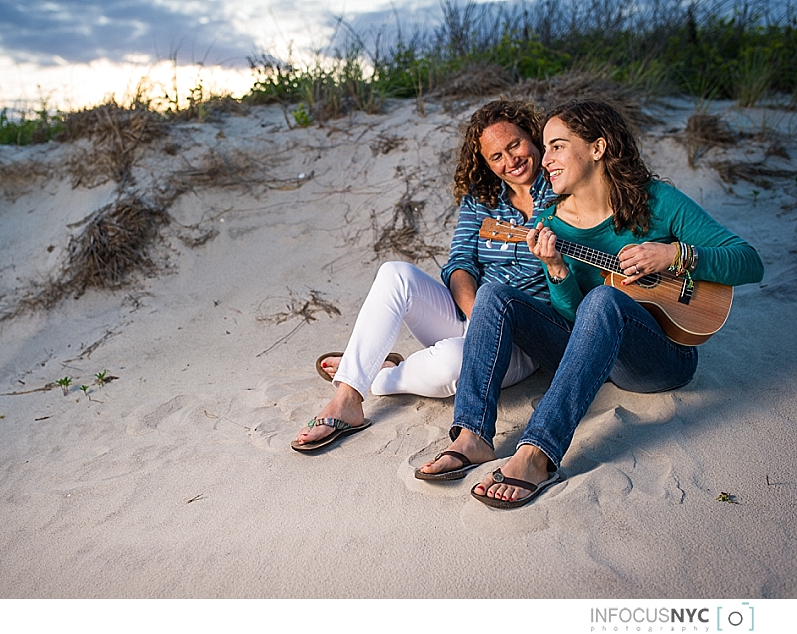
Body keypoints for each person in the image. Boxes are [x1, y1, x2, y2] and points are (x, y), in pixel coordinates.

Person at [436, 100, 764, 508]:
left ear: (597, 147)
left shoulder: (657, 201)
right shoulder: (551, 223)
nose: (545, 159)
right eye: (545, 147)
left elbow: (750, 262)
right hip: (589, 353)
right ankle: (473, 434)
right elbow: (578, 321)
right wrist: (557, 270)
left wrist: (673, 256)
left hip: (661, 357)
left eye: (556, 146)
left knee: (605, 298)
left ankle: (537, 452)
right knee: (495, 294)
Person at [292, 100, 558, 466]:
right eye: (496, 156)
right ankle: (347, 398)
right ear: (484, 163)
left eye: (515, 145)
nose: (509, 161)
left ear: (533, 135)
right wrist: (478, 315)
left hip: (522, 339)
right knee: (394, 273)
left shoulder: (563, 187)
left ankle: (380, 374)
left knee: (451, 362)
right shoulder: (482, 199)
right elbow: (460, 264)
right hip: (472, 312)